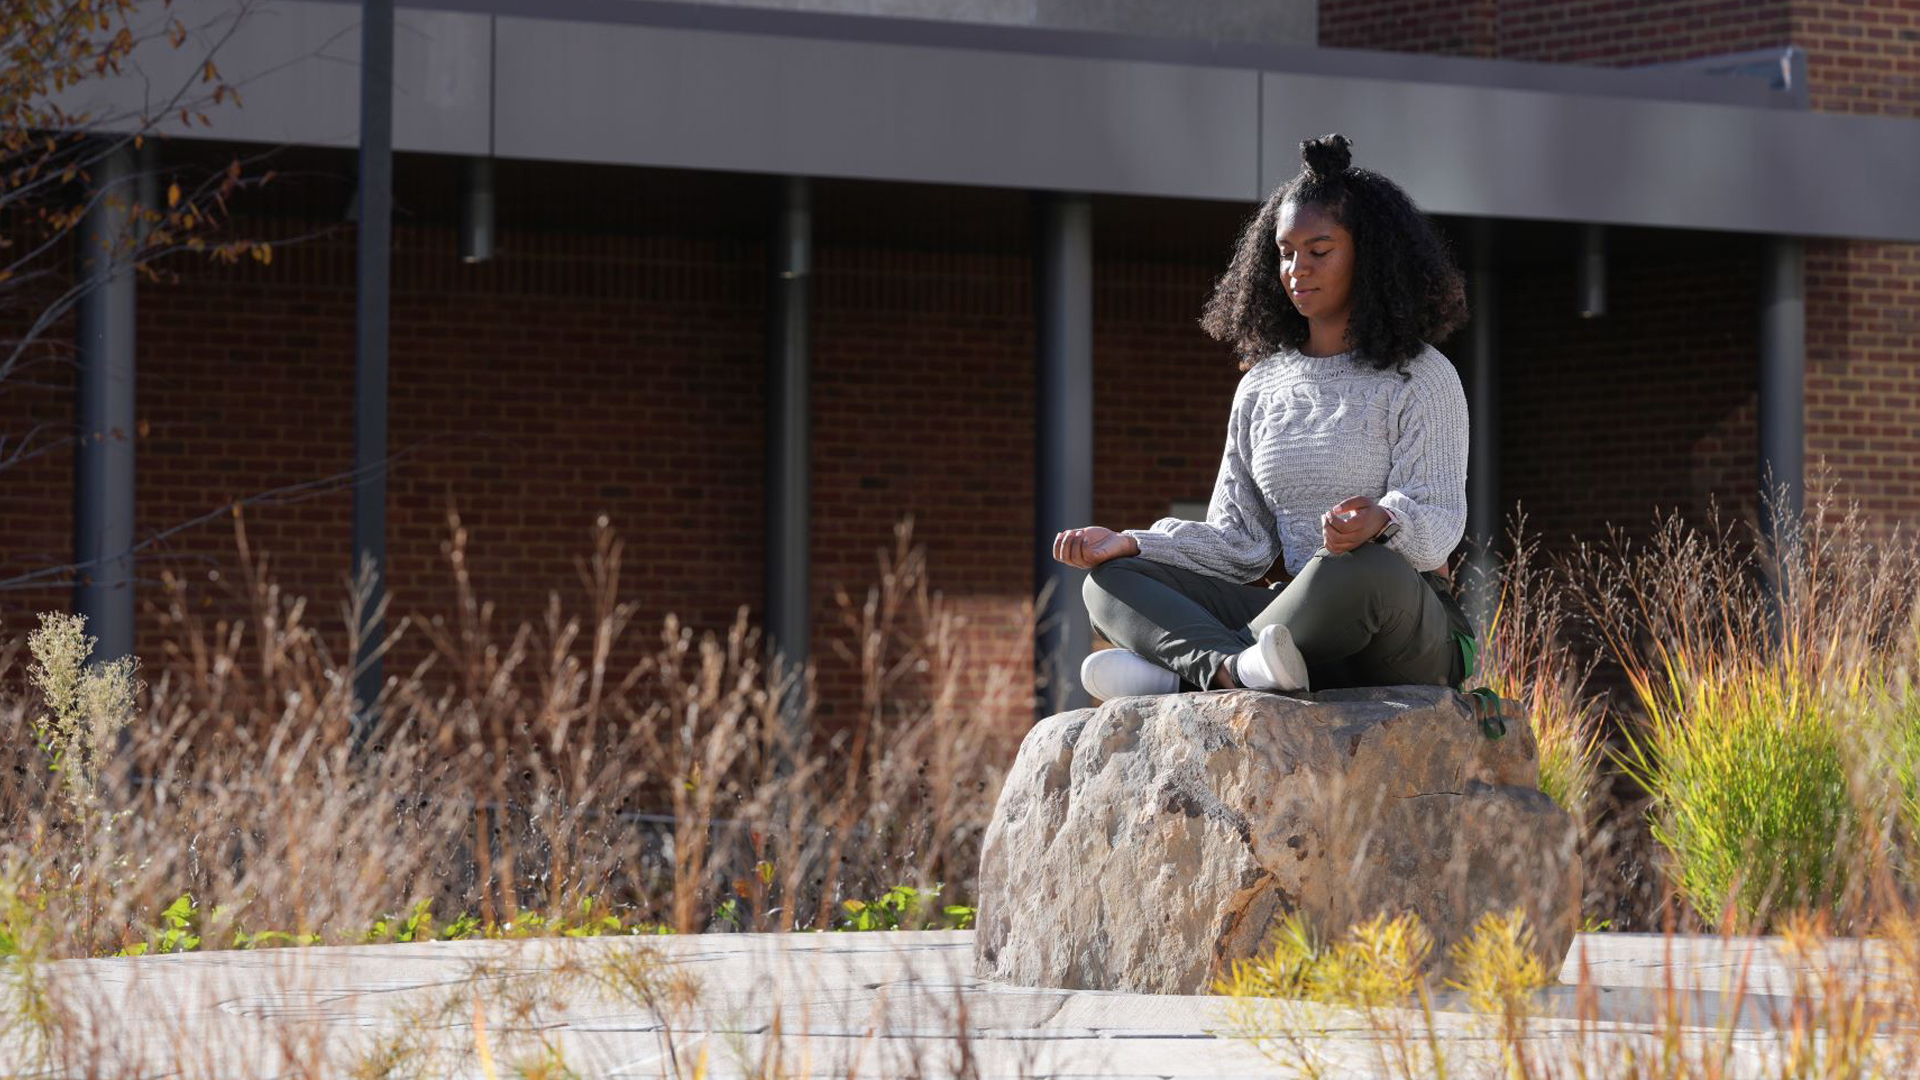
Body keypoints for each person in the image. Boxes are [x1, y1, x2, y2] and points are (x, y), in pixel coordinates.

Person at [1056, 133, 1475, 699]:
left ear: (1370, 255)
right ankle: (1234, 669)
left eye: (1319, 251)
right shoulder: (1261, 386)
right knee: (1109, 584)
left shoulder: (1422, 377)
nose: (1296, 268)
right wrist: (1133, 544)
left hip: (1402, 627)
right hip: (1293, 625)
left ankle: (1191, 671)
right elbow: (1239, 543)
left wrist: (1381, 520)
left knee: (1359, 569)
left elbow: (1440, 526)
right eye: (1284, 252)